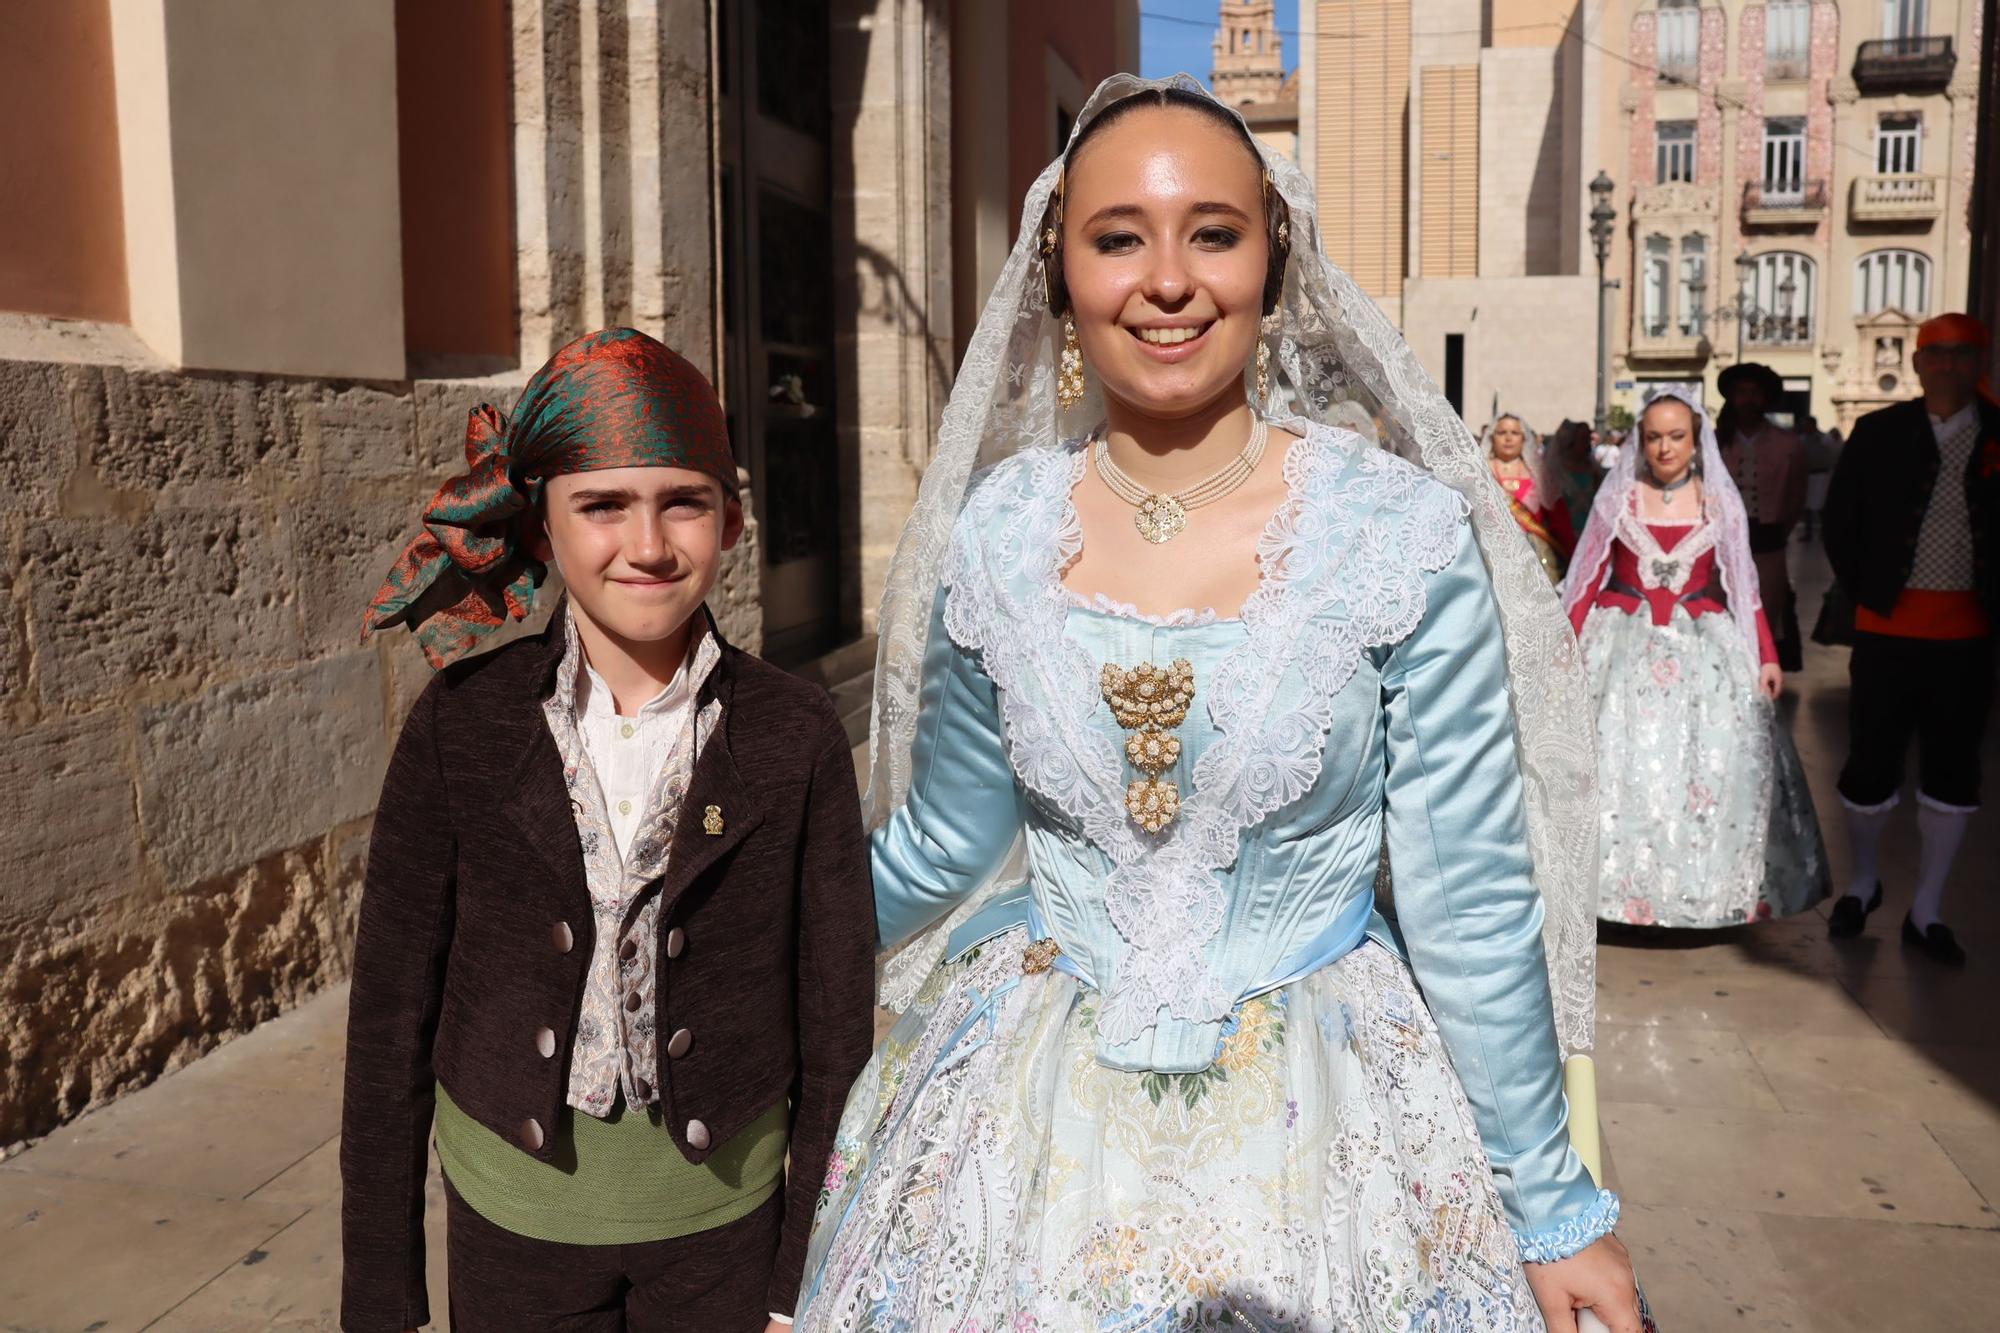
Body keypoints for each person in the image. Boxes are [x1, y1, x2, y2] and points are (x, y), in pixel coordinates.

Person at [793, 75, 1650, 1332]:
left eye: (1212, 232)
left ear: (1272, 257)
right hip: (1019, 1112)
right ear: (1058, 275)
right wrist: (740, 913)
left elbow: (1466, 896)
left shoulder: (1393, 534)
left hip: (1329, 1112)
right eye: (1117, 238)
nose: (1167, 280)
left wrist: (1547, 1202)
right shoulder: (1001, 530)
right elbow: (942, 842)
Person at [341, 328, 877, 1332]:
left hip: (721, 1232)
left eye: (683, 501)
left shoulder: (792, 730)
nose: (647, 544)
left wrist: (800, 1273)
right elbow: (388, 1014)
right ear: (541, 528)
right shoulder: (463, 724)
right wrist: (381, 1283)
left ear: (732, 519)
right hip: (514, 1228)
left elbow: (836, 1020)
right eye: (602, 506)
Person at [1563, 390, 1829, 929]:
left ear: (1696, 439)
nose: (1665, 448)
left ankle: (1696, 894)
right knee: (1617, 766)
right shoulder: (1619, 498)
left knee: (1709, 767)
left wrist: (1767, 655)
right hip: (1621, 651)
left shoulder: (1718, 501)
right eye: (1654, 437)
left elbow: (1743, 586)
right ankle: (1611, 894)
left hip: (1702, 651)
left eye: (1676, 436)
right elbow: (1586, 577)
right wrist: (1559, 648)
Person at [1822, 312, 2000, 965]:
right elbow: (1841, 520)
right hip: (1886, 630)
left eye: (1963, 353)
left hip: (1969, 636)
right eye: (1939, 353)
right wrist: (1868, 588)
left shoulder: (1996, 432)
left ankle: (1928, 907)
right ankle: (1863, 882)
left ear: (1979, 360)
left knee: (1954, 769)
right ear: (1919, 362)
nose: (1950, 364)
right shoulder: (1879, 432)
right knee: (1870, 764)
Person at [1716, 363, 1808, 670]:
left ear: (1766, 398)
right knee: (1719, 612)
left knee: (1767, 613)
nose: (1747, 399)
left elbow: (1796, 496)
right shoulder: (1713, 443)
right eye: (1741, 392)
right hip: (1720, 543)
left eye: (1754, 392)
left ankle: (1758, 675)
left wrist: (1779, 530)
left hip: (1768, 542)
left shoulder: (1788, 444)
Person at [1486, 412, 1567, 580]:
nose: (1508, 438)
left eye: (1515, 433)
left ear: (1524, 439)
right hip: (1491, 553)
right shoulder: (1481, 473)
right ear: (1492, 438)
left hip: (1536, 555)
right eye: (1502, 433)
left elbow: (1558, 518)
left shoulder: (1538, 473)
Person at [1543, 418, 1605, 559]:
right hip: (1565, 531)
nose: (1587, 444)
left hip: (1590, 530)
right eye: (1583, 440)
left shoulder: (1594, 470)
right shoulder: (1555, 471)